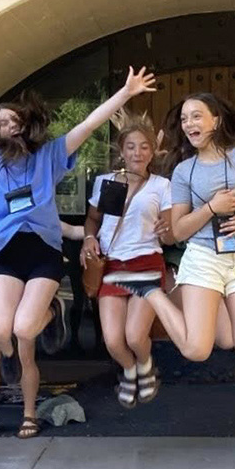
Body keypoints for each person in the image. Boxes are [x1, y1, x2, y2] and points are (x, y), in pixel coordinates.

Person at [0, 21, 155, 438]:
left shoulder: (50, 156)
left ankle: (51, 312)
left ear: (25, 124)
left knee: (21, 330)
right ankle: (47, 315)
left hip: (43, 254)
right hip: (6, 255)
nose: (6, 125)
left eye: (12, 120)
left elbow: (88, 124)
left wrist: (124, 94)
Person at [118, 93, 235, 366]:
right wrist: (211, 208)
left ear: (216, 120)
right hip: (204, 258)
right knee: (196, 350)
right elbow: (178, 231)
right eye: (183, 119)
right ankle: (152, 292)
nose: (188, 123)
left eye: (196, 116)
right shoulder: (183, 171)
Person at [63, 110, 174, 408]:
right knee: (113, 341)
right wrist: (88, 237)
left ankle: (145, 365)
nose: (138, 152)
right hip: (111, 264)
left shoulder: (162, 186)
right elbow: (92, 220)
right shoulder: (106, 182)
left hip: (146, 263)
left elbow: (169, 234)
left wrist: (168, 230)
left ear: (153, 151)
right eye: (131, 146)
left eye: (144, 146)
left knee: (135, 337)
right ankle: (129, 370)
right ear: (121, 151)